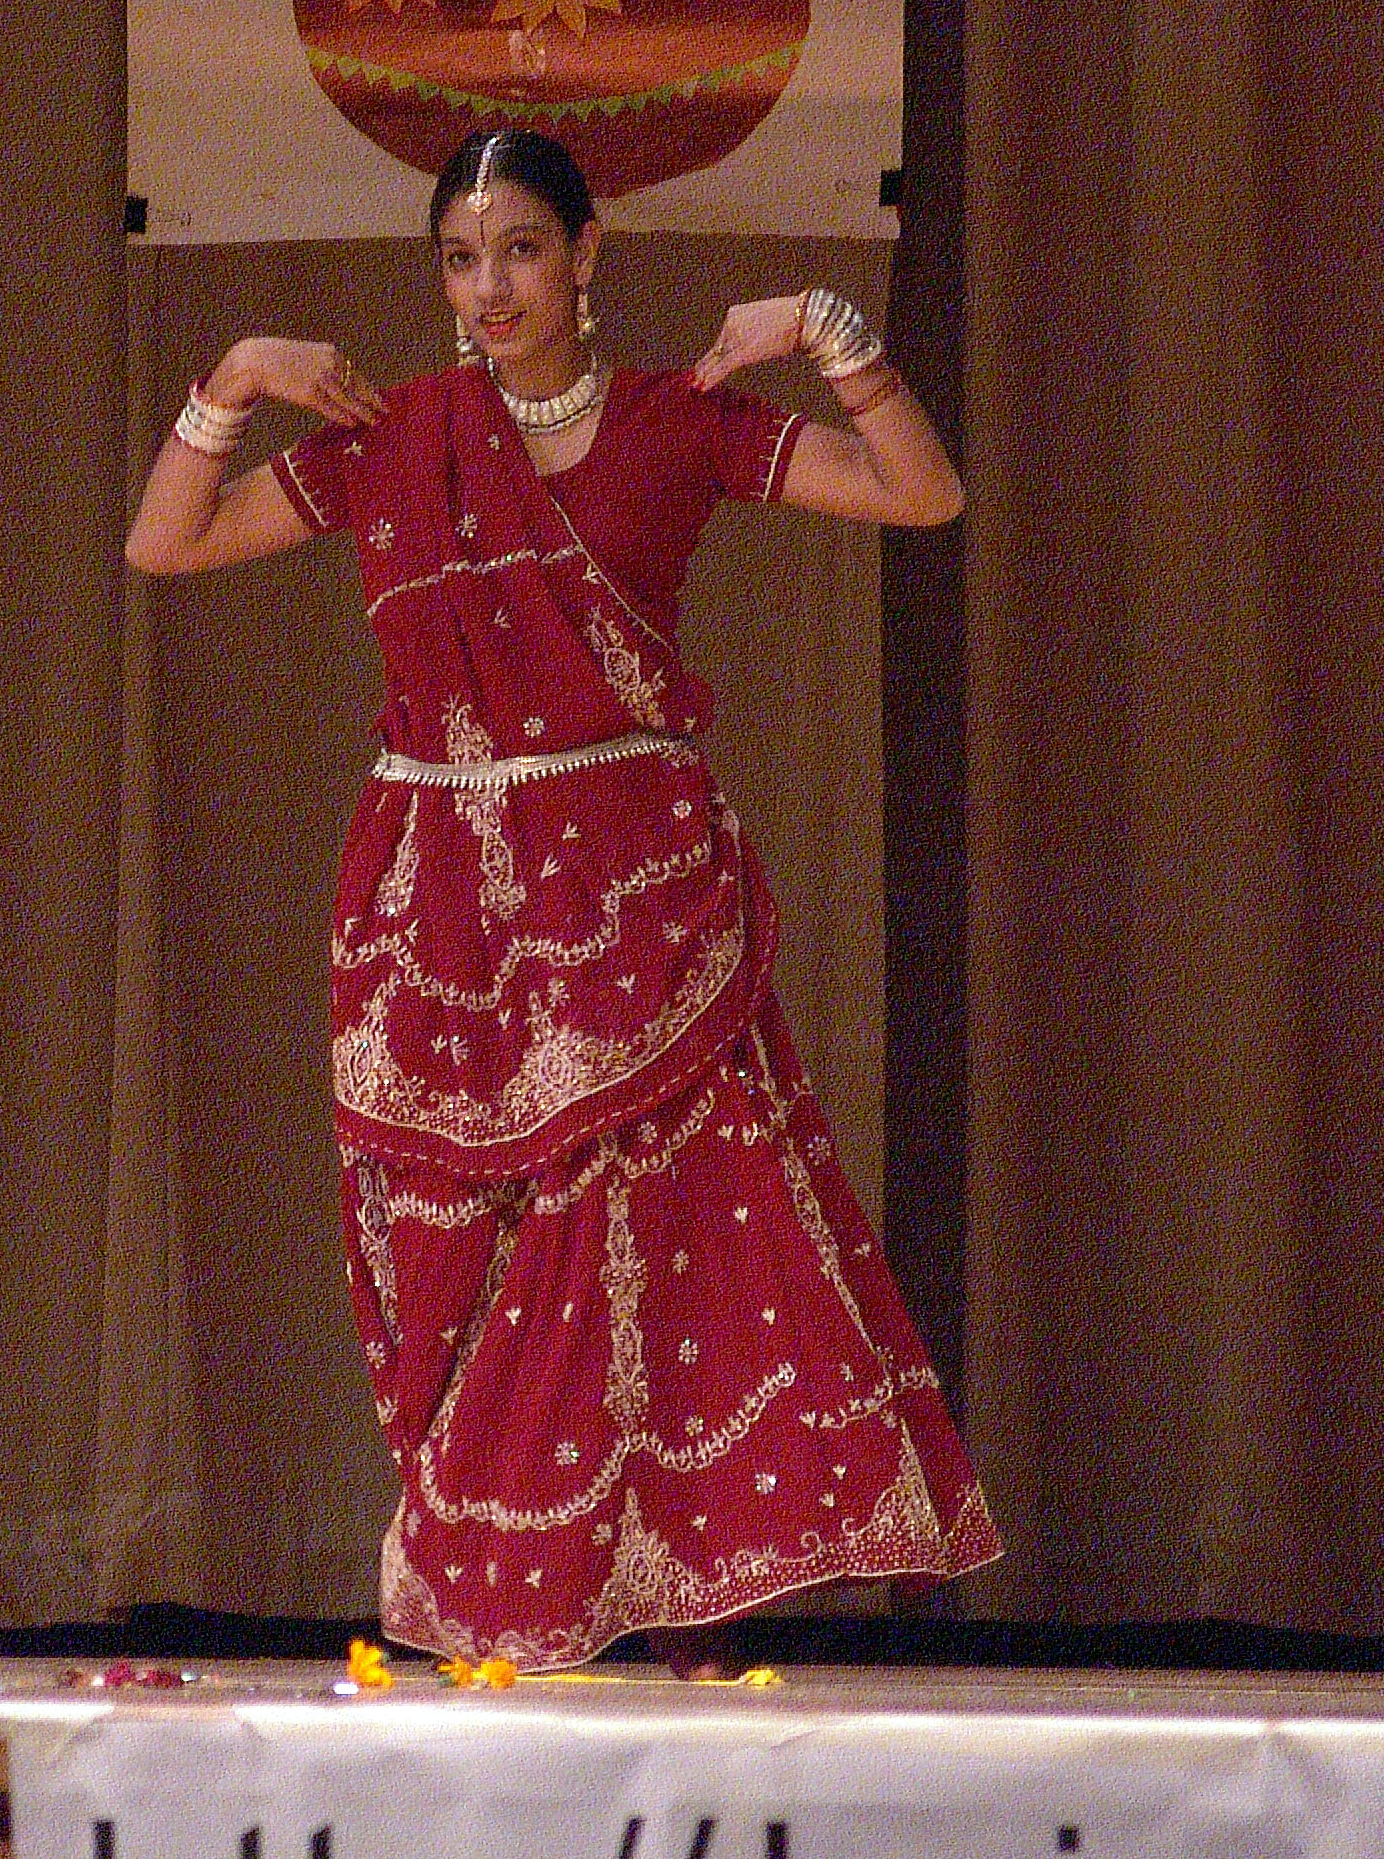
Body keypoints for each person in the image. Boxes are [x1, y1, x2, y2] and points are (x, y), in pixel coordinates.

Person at [124, 129, 997, 1672]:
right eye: (461, 260)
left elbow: (923, 494)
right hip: (437, 910)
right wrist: (239, 375)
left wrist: (824, 329)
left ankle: (667, 1599)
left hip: (629, 898)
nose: (491, 289)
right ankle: (514, 1586)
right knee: (466, 1260)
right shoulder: (397, 440)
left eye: (522, 249)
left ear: (588, 256)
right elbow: (165, 539)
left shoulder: (675, 423)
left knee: (653, 1239)